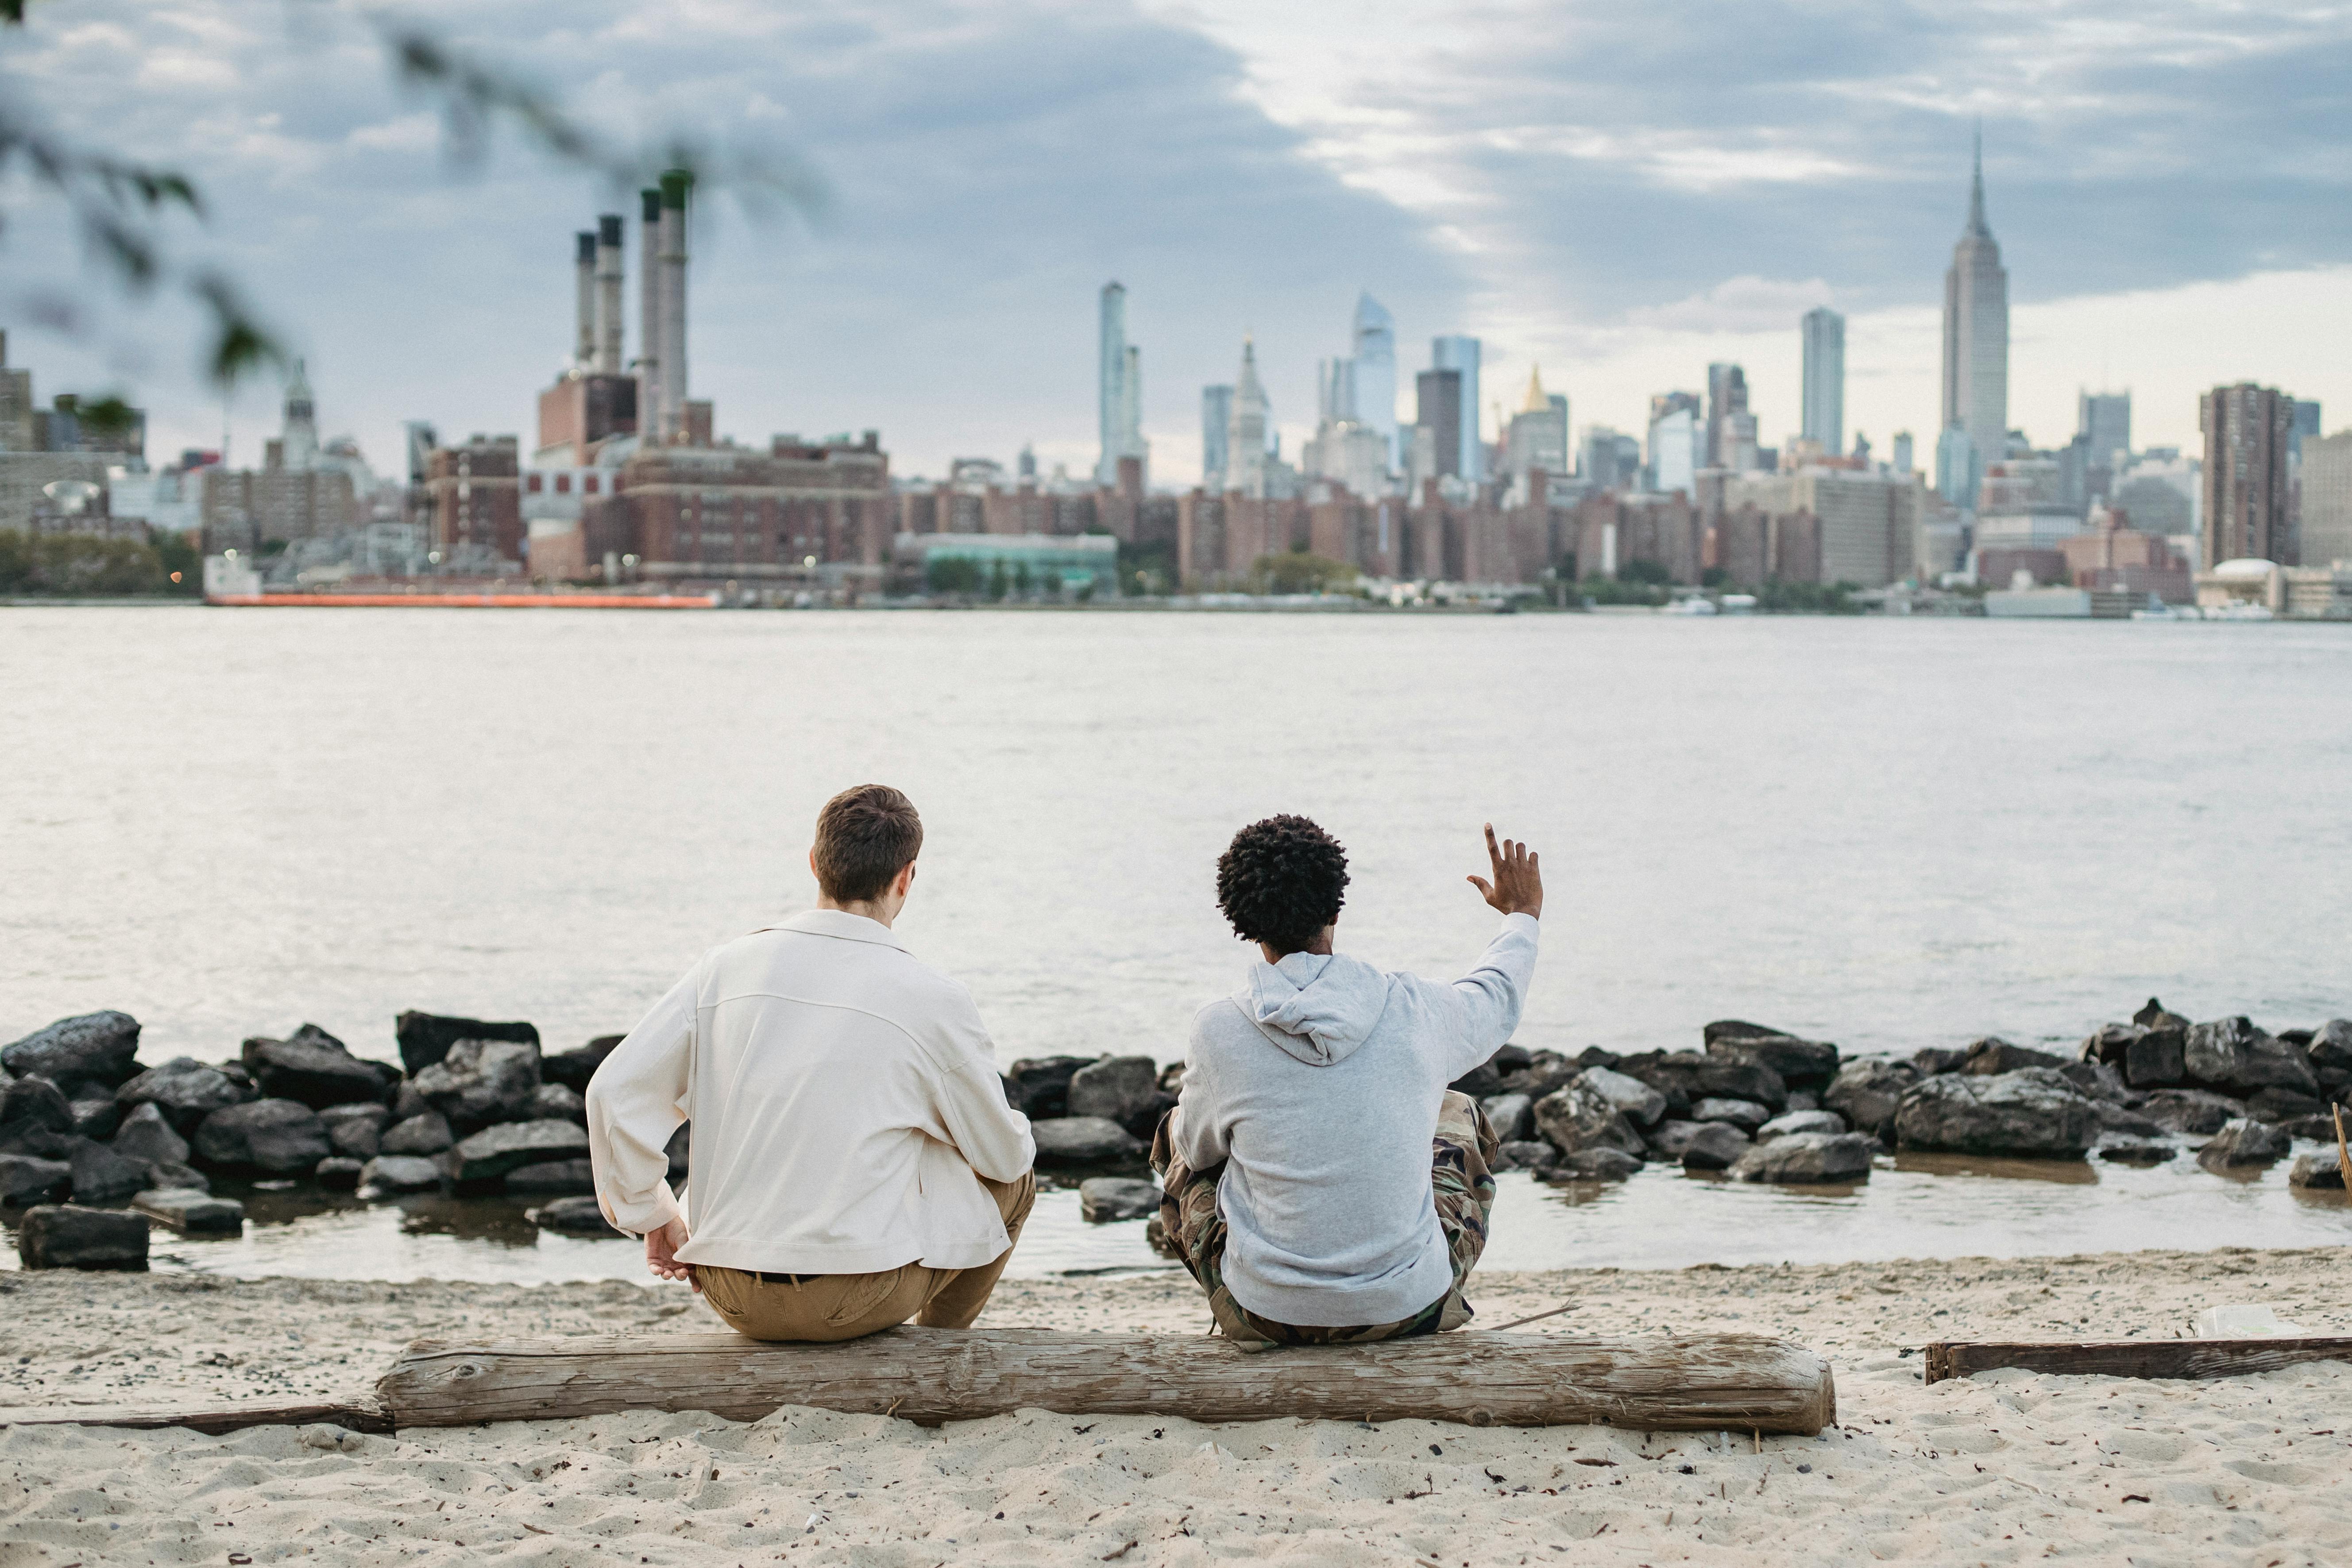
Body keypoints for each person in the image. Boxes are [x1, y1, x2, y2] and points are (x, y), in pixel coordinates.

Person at [585, 784, 1036, 1342]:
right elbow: (1002, 1154)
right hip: (853, 1297)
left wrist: (653, 1213)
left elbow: (612, 1092)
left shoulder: (723, 968)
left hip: (729, 1288)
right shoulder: (933, 997)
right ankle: (940, 1351)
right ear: (906, 878)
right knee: (1014, 1174)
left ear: (815, 863)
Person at [1154, 816, 1541, 1345]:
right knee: (1457, 1111)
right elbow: (1496, 994)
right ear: (1336, 907)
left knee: (1178, 1133)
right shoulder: (1416, 1008)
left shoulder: (1218, 1029)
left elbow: (1196, 1155)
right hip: (1411, 1309)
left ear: (1241, 921)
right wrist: (1521, 916)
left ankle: (1275, 1281)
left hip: (1266, 1316)